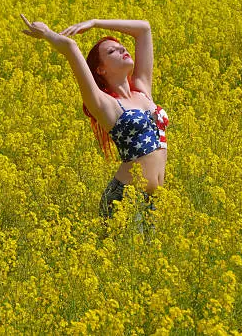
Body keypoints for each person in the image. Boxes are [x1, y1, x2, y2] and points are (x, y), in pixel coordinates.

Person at [20, 15, 169, 232]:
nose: (122, 50)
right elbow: (71, 47)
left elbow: (144, 29)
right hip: (125, 198)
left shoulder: (142, 89)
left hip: (153, 200)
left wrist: (96, 23)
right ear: (100, 70)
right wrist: (46, 34)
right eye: (111, 51)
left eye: (121, 46)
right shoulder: (104, 104)